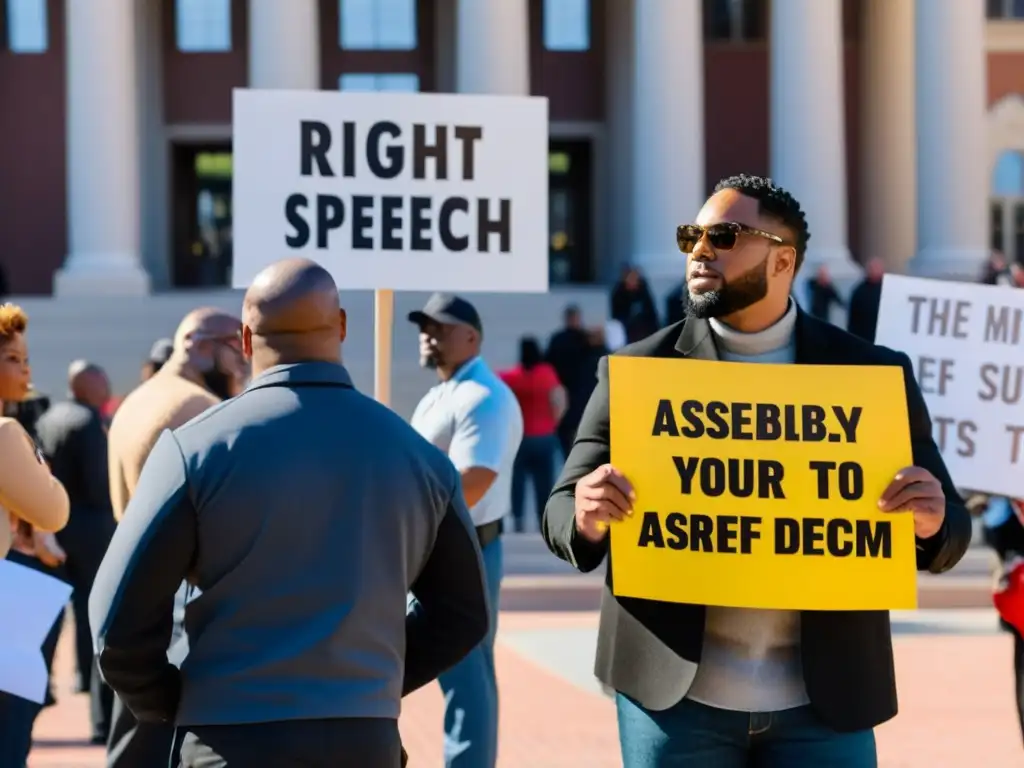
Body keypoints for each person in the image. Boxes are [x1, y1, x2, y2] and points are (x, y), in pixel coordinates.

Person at [542, 174, 973, 768]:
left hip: (826, 706)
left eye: (723, 235)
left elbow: (951, 533)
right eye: (692, 235)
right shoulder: (638, 371)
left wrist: (929, 520)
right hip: (673, 705)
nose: (700, 250)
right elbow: (561, 510)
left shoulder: (871, 375)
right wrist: (588, 515)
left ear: (782, 260)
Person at [90, 259, 490, 768]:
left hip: (226, 739)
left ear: (245, 338)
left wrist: (171, 701)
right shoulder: (423, 459)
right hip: (361, 738)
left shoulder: (193, 451)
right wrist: (371, 685)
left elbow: (114, 621)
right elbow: (463, 613)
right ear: (342, 325)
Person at [102, 307, 246, 768]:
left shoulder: (138, 398)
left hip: (138, 585)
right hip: (179, 602)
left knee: (133, 741)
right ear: (202, 347)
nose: (245, 363)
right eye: (236, 348)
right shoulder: (198, 409)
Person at [408, 292, 523, 768]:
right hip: (440, 549)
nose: (427, 335)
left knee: (465, 673)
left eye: (440, 327)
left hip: (464, 550)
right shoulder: (444, 393)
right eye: (424, 326)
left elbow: (473, 481)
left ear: (471, 336)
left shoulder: (484, 396)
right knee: (460, 672)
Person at [0, 304, 70, 768]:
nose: (26, 368)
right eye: (12, 358)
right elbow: (53, 510)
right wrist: (32, 453)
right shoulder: (6, 433)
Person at [35, 360, 117, 745]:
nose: (107, 388)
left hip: (52, 530)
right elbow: (100, 486)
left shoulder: (50, 417)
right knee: (95, 616)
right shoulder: (87, 424)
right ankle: (91, 692)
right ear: (88, 386)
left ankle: (40, 691)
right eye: (103, 382)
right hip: (89, 530)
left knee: (49, 619)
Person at [500, 337, 565, 532]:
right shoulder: (547, 373)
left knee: (517, 482)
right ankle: (543, 519)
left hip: (521, 437)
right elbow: (560, 399)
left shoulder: (512, 376)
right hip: (545, 435)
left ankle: (518, 519)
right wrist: (554, 422)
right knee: (544, 481)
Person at [846, 257, 885, 342]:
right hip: (863, 336)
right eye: (872, 268)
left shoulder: (887, 289)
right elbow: (853, 318)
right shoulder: (859, 291)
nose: (874, 271)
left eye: (877, 268)